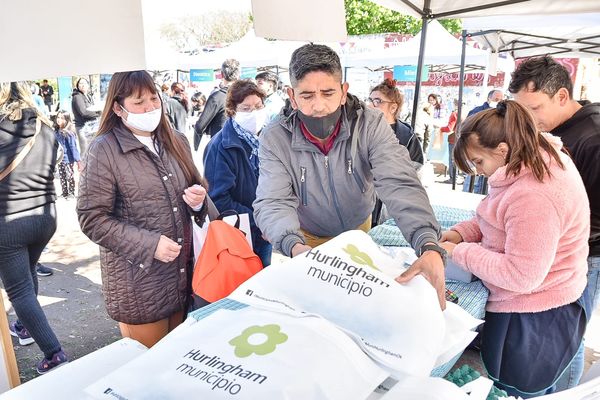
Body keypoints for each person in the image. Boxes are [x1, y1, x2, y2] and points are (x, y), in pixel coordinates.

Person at [253, 44, 447, 308]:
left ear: (344, 92)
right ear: (292, 95)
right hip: (304, 238)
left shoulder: (370, 123)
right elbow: (273, 200)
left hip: (358, 229)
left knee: (359, 304)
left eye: (328, 93)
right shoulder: (274, 137)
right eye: (307, 95)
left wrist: (427, 241)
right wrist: (292, 244)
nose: (318, 106)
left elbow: (398, 181)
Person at [438, 100, 589, 397]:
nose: (478, 172)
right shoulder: (526, 161)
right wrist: (459, 234)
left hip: (534, 313)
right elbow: (496, 218)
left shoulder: (535, 194)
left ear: (503, 150)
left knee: (516, 390)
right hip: (535, 304)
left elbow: (522, 275)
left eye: (479, 162)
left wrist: (460, 253)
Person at [77, 71, 216, 348]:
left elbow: (198, 193)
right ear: (118, 107)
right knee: (146, 370)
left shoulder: (177, 140)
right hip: (139, 285)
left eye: (154, 99)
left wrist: (199, 202)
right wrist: (149, 244)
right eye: (139, 102)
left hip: (182, 276)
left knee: (177, 360)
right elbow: (92, 218)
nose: (150, 108)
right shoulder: (103, 150)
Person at [510, 56, 600, 389]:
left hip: (585, 256)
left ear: (562, 96)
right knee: (551, 335)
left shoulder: (593, 136)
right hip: (557, 250)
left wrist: (549, 235)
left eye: (534, 109)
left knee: (567, 336)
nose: (528, 120)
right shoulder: (556, 130)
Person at [0, 81, 68, 373]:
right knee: (27, 273)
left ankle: (54, 354)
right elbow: (57, 161)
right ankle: (24, 327)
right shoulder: (44, 128)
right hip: (46, 217)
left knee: (19, 290)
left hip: (9, 223)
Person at [203, 79, 272, 266]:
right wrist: (259, 221)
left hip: (265, 232)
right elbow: (219, 199)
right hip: (240, 234)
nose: (254, 113)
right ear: (232, 111)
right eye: (246, 108)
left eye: (258, 106)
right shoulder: (220, 146)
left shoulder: (265, 139)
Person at [368, 79, 424, 165]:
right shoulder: (362, 129)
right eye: (370, 100)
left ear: (393, 108)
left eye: (377, 101)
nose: (370, 105)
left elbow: (416, 168)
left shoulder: (407, 135)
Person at [193, 59, 240, 150]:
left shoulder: (217, 97)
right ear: (238, 75)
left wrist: (196, 148)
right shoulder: (246, 95)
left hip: (221, 146)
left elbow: (200, 126)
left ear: (222, 74)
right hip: (242, 146)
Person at [54, 110, 81, 199]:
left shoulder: (69, 133)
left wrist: (78, 160)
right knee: (62, 177)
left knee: (69, 176)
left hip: (68, 159)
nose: (59, 120)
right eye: (58, 117)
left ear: (67, 120)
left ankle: (71, 193)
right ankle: (64, 192)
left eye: (62, 118)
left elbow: (73, 147)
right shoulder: (56, 131)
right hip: (60, 159)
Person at [71, 77, 100, 155]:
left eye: (84, 83)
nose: (83, 85)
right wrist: (99, 114)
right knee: (85, 151)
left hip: (90, 127)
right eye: (81, 83)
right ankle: (83, 167)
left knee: (92, 150)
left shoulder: (87, 96)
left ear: (88, 85)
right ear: (77, 86)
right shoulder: (77, 96)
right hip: (82, 128)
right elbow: (83, 112)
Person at [440, 99, 459, 183]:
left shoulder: (454, 114)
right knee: (457, 159)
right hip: (460, 139)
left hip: (453, 139)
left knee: (452, 159)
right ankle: (456, 177)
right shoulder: (464, 113)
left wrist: (440, 128)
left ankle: (453, 178)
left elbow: (449, 128)